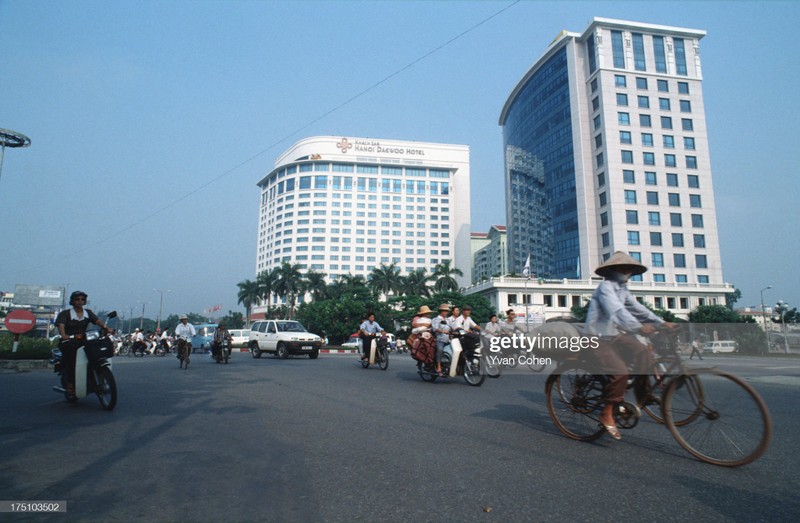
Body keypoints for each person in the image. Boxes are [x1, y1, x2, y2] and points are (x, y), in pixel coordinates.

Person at [585, 251, 676, 440]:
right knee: (620, 372)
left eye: (629, 268)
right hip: (596, 338)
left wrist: (660, 322)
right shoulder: (605, 288)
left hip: (615, 336)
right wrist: (638, 327)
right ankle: (607, 411)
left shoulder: (623, 290)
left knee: (643, 352)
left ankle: (642, 396)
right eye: (623, 268)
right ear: (612, 270)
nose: (627, 272)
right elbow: (616, 312)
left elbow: (638, 309)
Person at [55, 291, 115, 399]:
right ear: (72, 301)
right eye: (77, 299)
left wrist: (107, 328)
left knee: (96, 352)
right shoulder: (65, 314)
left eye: (82, 299)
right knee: (71, 360)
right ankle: (70, 385)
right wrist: (64, 335)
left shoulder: (88, 313)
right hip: (69, 341)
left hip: (84, 340)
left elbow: (97, 321)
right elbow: (61, 324)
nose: (80, 301)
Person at [431, 304, 452, 375]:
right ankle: (438, 366)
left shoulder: (448, 320)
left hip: (448, 340)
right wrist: (443, 331)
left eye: (447, 311)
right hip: (440, 339)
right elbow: (435, 328)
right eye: (445, 311)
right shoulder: (436, 319)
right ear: (441, 311)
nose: (446, 312)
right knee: (440, 349)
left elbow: (453, 327)